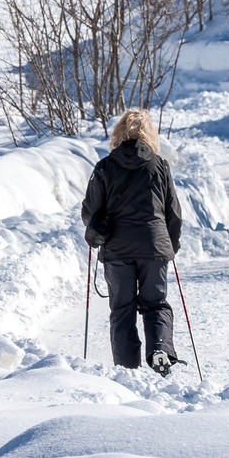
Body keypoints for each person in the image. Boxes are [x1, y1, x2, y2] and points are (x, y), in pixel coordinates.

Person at [81, 108, 183, 375]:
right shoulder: (159, 165)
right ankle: (160, 348)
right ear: (149, 135)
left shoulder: (104, 167)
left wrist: (96, 231)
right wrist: (170, 247)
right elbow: (173, 212)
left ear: (118, 133)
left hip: (118, 248)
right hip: (154, 246)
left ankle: (127, 370)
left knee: (122, 309)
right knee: (156, 303)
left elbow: (90, 212)